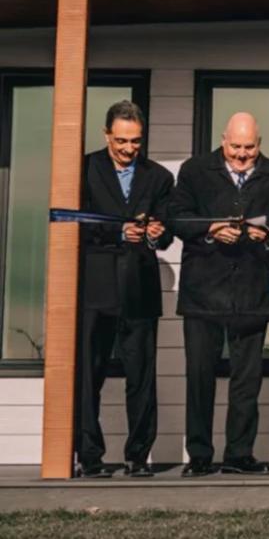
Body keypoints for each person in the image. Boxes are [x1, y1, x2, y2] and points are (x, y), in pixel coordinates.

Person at [170, 112, 269, 477]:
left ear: (260, 143)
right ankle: (198, 456)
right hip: (203, 292)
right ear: (223, 140)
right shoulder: (195, 171)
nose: (241, 155)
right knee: (199, 377)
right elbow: (177, 217)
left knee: (246, 379)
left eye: (249, 148)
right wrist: (210, 229)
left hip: (252, 290)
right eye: (235, 147)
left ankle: (239, 454)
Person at [74, 100, 174, 478]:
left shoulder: (160, 177)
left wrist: (156, 233)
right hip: (94, 288)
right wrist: (116, 231)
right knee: (88, 375)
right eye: (121, 141)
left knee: (142, 379)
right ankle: (89, 455)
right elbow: (74, 221)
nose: (129, 149)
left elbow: (166, 234)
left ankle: (138, 456)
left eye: (135, 141)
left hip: (140, 289)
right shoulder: (85, 167)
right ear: (106, 135)